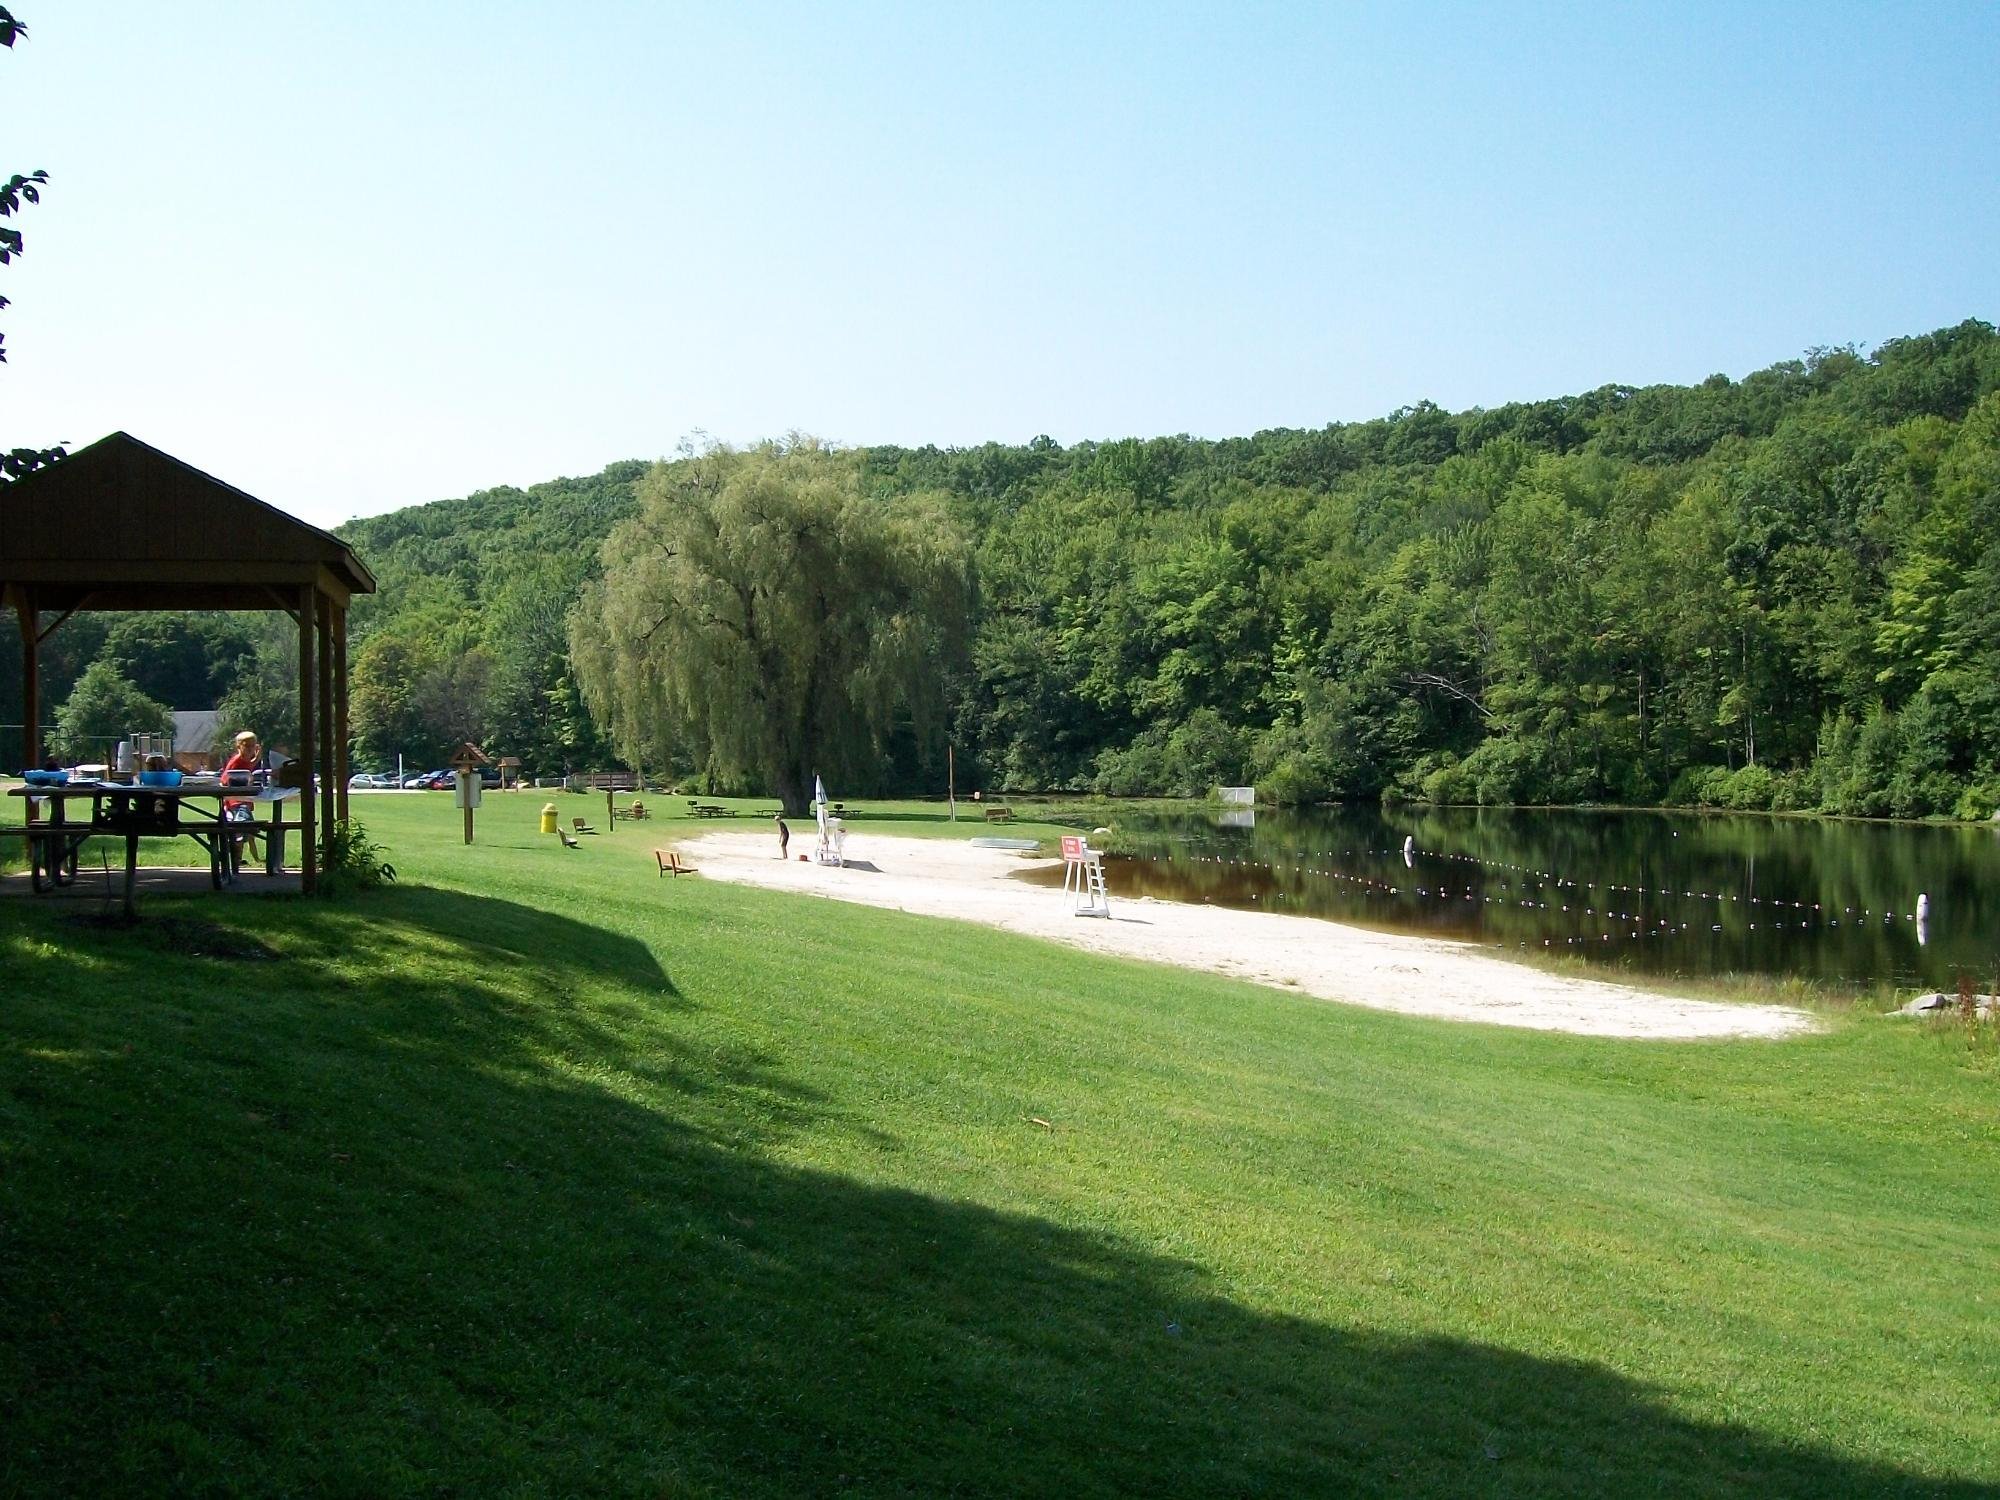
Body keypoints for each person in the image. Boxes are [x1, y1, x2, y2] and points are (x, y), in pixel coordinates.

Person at [221, 730, 263, 873]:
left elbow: (248, 766)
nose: (250, 749)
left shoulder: (244, 761)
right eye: (247, 746)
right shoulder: (236, 762)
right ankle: (235, 860)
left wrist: (256, 759)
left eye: (253, 746)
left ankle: (250, 858)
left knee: (248, 832)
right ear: (239, 746)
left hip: (243, 801)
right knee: (241, 830)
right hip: (237, 803)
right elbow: (225, 780)